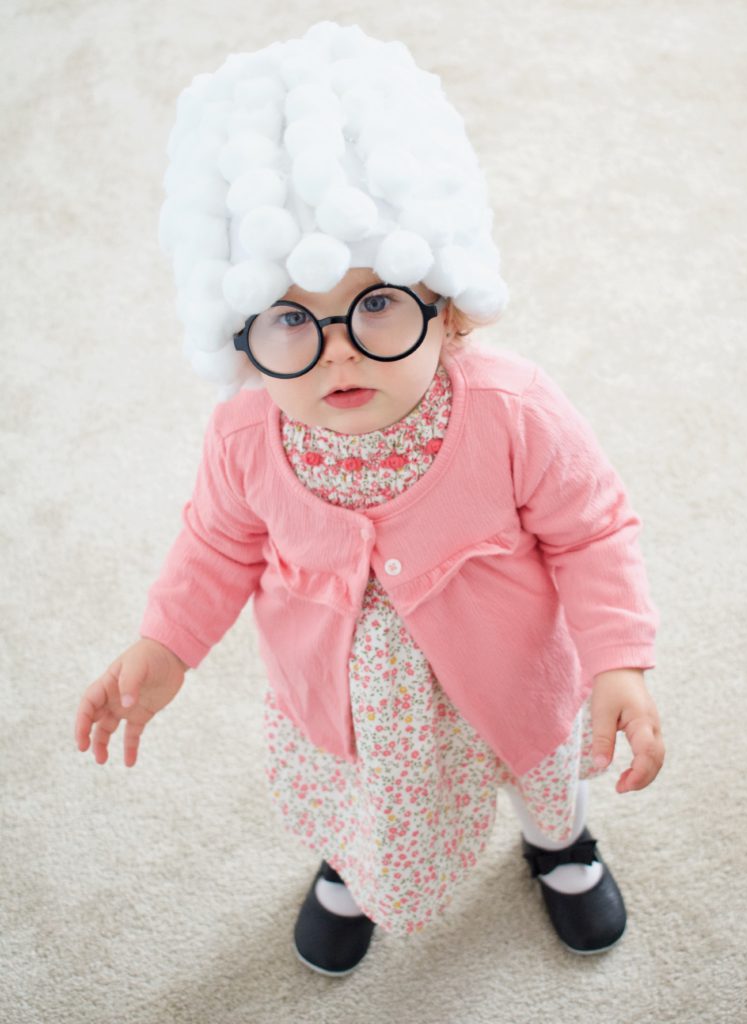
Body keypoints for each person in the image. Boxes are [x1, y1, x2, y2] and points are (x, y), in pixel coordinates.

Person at [74, 21, 664, 976]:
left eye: (378, 304)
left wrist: (619, 659)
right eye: (291, 321)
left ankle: (562, 845)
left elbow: (592, 529)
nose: (338, 346)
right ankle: (352, 863)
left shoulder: (509, 409)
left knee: (543, 769)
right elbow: (217, 547)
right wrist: (166, 644)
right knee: (361, 793)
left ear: (447, 305)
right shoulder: (245, 436)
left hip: (506, 677)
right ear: (240, 337)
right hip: (348, 699)